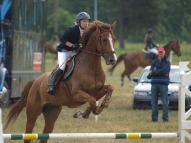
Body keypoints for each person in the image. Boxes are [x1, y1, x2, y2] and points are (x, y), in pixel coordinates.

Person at [47, 12, 90, 95]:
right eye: (84, 21)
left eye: (87, 21)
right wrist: (72, 45)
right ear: (79, 22)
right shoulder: (72, 30)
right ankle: (52, 86)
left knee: (81, 64)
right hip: (64, 50)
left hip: (74, 51)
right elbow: (63, 40)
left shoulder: (87, 32)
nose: (86, 23)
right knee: (62, 66)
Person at [147, 47, 171, 122]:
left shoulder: (167, 62)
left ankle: (165, 119)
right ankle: (154, 119)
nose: (160, 53)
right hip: (154, 84)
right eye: (159, 52)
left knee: (165, 103)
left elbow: (165, 71)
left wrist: (154, 72)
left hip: (163, 84)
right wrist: (160, 72)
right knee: (154, 103)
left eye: (162, 52)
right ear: (158, 53)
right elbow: (162, 72)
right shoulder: (154, 62)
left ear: (164, 53)